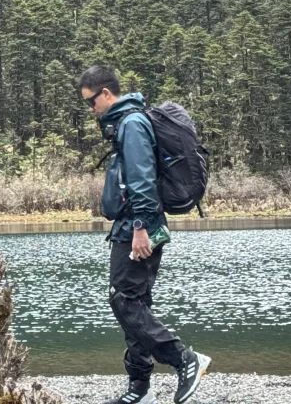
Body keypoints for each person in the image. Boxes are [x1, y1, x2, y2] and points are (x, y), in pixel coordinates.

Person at [79, 65, 210, 404]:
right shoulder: (124, 124)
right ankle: (139, 389)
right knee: (136, 302)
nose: (90, 109)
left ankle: (184, 359)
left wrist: (141, 228)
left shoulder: (132, 124)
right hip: (131, 225)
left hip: (137, 227)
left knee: (123, 300)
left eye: (91, 102)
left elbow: (141, 180)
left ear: (106, 94)